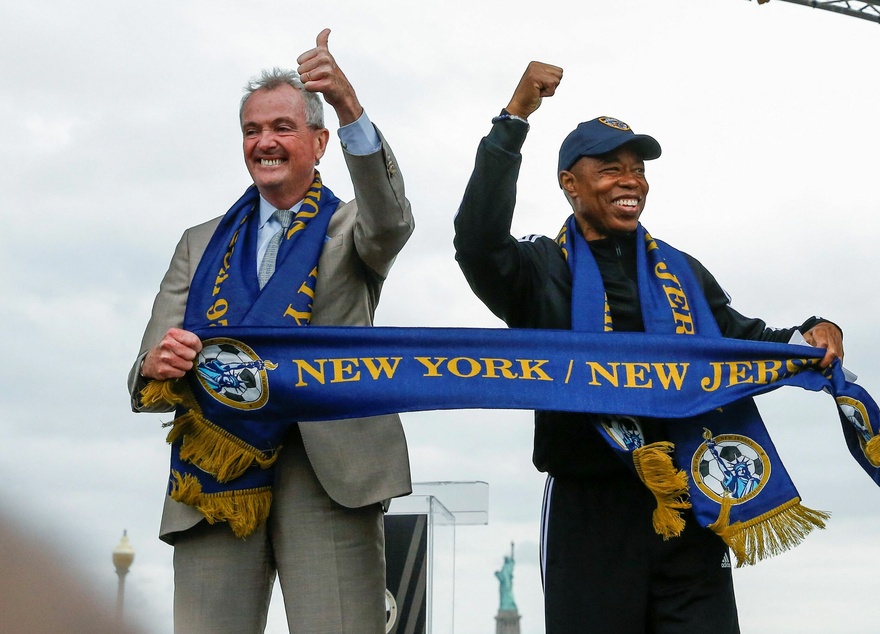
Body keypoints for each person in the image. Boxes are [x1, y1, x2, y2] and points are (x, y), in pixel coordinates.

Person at [453, 61, 843, 634]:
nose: (630, 181)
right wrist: (513, 121)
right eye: (610, 169)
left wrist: (809, 334)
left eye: (637, 170)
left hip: (692, 501)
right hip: (590, 509)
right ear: (570, 184)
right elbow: (477, 241)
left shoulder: (681, 270)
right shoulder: (537, 271)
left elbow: (740, 339)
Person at [128, 29, 413, 634]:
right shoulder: (199, 243)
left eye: (282, 127)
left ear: (319, 141)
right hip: (216, 476)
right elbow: (146, 364)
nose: (265, 142)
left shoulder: (352, 228)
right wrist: (156, 364)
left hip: (330, 472)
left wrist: (348, 103)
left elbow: (392, 217)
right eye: (253, 131)